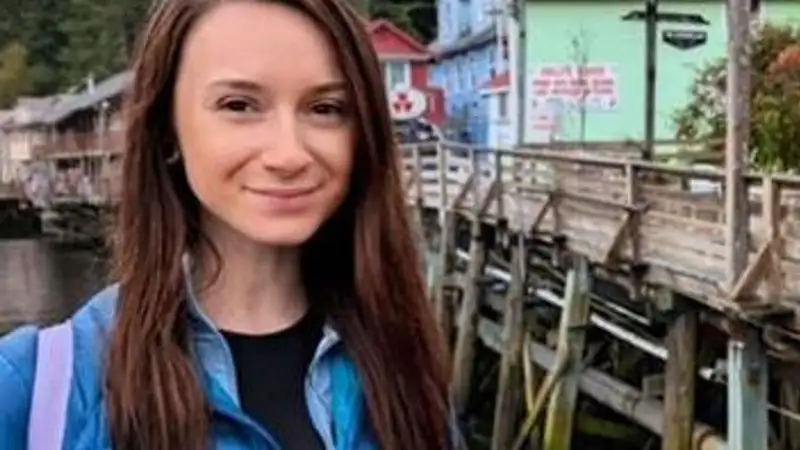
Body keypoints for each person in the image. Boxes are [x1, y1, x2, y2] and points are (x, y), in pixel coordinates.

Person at [0, 0, 456, 449]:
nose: (289, 154)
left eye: (325, 108)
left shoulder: (404, 369)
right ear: (167, 130)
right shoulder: (32, 389)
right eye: (239, 105)